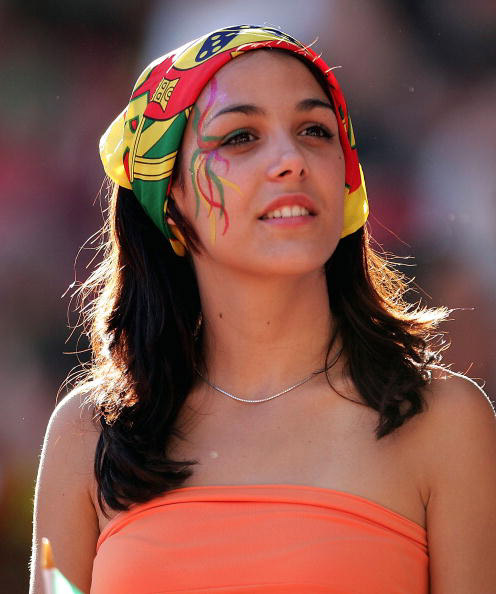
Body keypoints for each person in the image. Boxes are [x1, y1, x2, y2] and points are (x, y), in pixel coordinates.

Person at [30, 25, 496, 593]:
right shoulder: (89, 434)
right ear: (170, 197)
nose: (291, 160)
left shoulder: (441, 420)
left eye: (314, 131)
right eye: (241, 137)